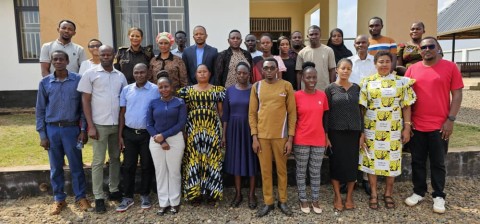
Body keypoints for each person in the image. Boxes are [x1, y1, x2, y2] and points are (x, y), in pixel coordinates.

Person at [404, 37, 463, 214]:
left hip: (440, 126)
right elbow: (405, 97)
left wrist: (450, 120)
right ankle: (419, 191)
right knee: (417, 161)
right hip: (417, 125)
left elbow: (457, 95)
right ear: (419, 50)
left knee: (438, 162)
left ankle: (438, 195)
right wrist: (407, 123)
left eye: (431, 46)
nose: (427, 49)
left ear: (438, 48)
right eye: (423, 47)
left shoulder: (450, 67)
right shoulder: (412, 69)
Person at [36, 50, 92, 215]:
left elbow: (83, 108)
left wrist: (83, 130)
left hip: (71, 129)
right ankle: (59, 199)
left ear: (67, 61)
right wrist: (42, 135)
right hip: (52, 129)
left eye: (62, 59)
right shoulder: (45, 83)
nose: (58, 61)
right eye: (55, 59)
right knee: (56, 167)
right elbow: (39, 110)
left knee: (76, 166)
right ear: (52, 62)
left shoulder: (77, 80)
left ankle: (81, 197)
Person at [358, 51, 416, 210]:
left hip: (394, 130)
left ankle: (388, 193)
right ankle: (374, 194)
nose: (383, 64)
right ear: (375, 64)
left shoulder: (401, 82)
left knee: (392, 161)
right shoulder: (366, 82)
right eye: (380, 61)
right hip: (371, 129)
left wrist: (407, 127)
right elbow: (361, 109)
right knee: (372, 161)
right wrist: (361, 132)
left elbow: (406, 106)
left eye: (386, 61)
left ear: (392, 63)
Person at [77, 45, 128, 213]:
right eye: (103, 54)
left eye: (109, 54)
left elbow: (123, 103)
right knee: (98, 161)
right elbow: (85, 101)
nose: (106, 56)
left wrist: (121, 129)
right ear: (99, 55)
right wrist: (90, 125)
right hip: (98, 125)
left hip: (116, 124)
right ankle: (98, 196)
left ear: (114, 56)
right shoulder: (90, 74)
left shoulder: (120, 76)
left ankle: (113, 190)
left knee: (115, 158)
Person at [249, 58, 296, 217]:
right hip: (262, 137)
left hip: (281, 136)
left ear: (277, 70)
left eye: (272, 68)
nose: (269, 71)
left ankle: (283, 201)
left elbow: (292, 114)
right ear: (262, 70)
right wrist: (254, 137)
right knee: (266, 171)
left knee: (282, 171)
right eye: (266, 68)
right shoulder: (257, 87)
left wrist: (290, 138)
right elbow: (252, 114)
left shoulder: (286, 86)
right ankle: (268, 202)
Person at [177, 64, 225, 206]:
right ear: (195, 74)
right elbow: (183, 114)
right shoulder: (187, 91)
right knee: (193, 160)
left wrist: (223, 133)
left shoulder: (218, 90)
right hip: (193, 131)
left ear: (209, 73)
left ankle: (212, 194)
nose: (202, 74)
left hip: (212, 130)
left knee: (212, 160)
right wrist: (184, 131)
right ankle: (194, 195)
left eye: (205, 71)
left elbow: (221, 113)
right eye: (199, 72)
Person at [116, 63, 159, 212]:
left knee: (147, 165)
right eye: (136, 72)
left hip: (147, 134)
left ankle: (145, 194)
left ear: (147, 73)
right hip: (129, 133)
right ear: (133, 74)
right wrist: (120, 135)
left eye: (142, 72)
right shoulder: (127, 90)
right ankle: (127, 197)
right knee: (128, 166)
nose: (139, 75)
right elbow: (122, 113)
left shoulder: (155, 90)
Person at [325, 58, 363, 212]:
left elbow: (360, 112)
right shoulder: (330, 89)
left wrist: (362, 133)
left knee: (352, 165)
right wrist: (326, 135)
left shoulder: (356, 88)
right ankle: (337, 197)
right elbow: (326, 114)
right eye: (343, 68)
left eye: (348, 68)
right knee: (336, 164)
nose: (345, 71)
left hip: (353, 132)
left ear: (351, 71)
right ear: (337, 70)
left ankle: (349, 197)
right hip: (336, 132)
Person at [147, 77, 187, 215]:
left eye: (166, 86)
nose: (164, 89)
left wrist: (164, 136)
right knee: (160, 172)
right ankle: (163, 203)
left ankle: (175, 202)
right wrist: (160, 139)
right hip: (156, 141)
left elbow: (181, 123)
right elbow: (148, 124)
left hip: (175, 140)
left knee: (174, 171)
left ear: (171, 87)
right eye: (161, 87)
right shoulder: (153, 103)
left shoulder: (179, 102)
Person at [221, 62, 259, 209]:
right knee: (237, 161)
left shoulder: (255, 89)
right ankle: (238, 194)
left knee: (251, 160)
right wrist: (224, 136)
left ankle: (251, 194)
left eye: (244, 73)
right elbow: (225, 115)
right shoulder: (229, 91)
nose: (242, 75)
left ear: (249, 74)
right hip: (234, 130)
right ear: (235, 74)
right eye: (239, 73)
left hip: (250, 129)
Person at [294, 62, 329, 214]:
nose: (311, 80)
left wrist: (326, 137)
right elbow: (292, 119)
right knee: (301, 171)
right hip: (301, 139)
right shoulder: (296, 96)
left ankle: (315, 199)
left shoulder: (322, 95)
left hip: (318, 139)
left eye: (314, 77)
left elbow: (326, 118)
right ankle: (303, 199)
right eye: (308, 77)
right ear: (302, 78)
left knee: (315, 171)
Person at [347, 34, 377, 196]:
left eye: (363, 42)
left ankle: (366, 178)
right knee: (353, 141)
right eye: (358, 42)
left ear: (368, 44)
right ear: (354, 44)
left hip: (372, 107)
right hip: (353, 106)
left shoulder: (375, 62)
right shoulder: (349, 62)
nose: (361, 45)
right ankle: (353, 177)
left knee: (369, 142)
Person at [296, 25, 336, 91]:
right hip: (306, 90)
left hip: (324, 89)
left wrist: (332, 88)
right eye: (311, 34)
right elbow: (299, 73)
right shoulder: (302, 53)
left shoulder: (329, 50)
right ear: (307, 36)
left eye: (316, 34)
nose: (314, 36)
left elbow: (332, 70)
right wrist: (299, 89)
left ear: (320, 35)